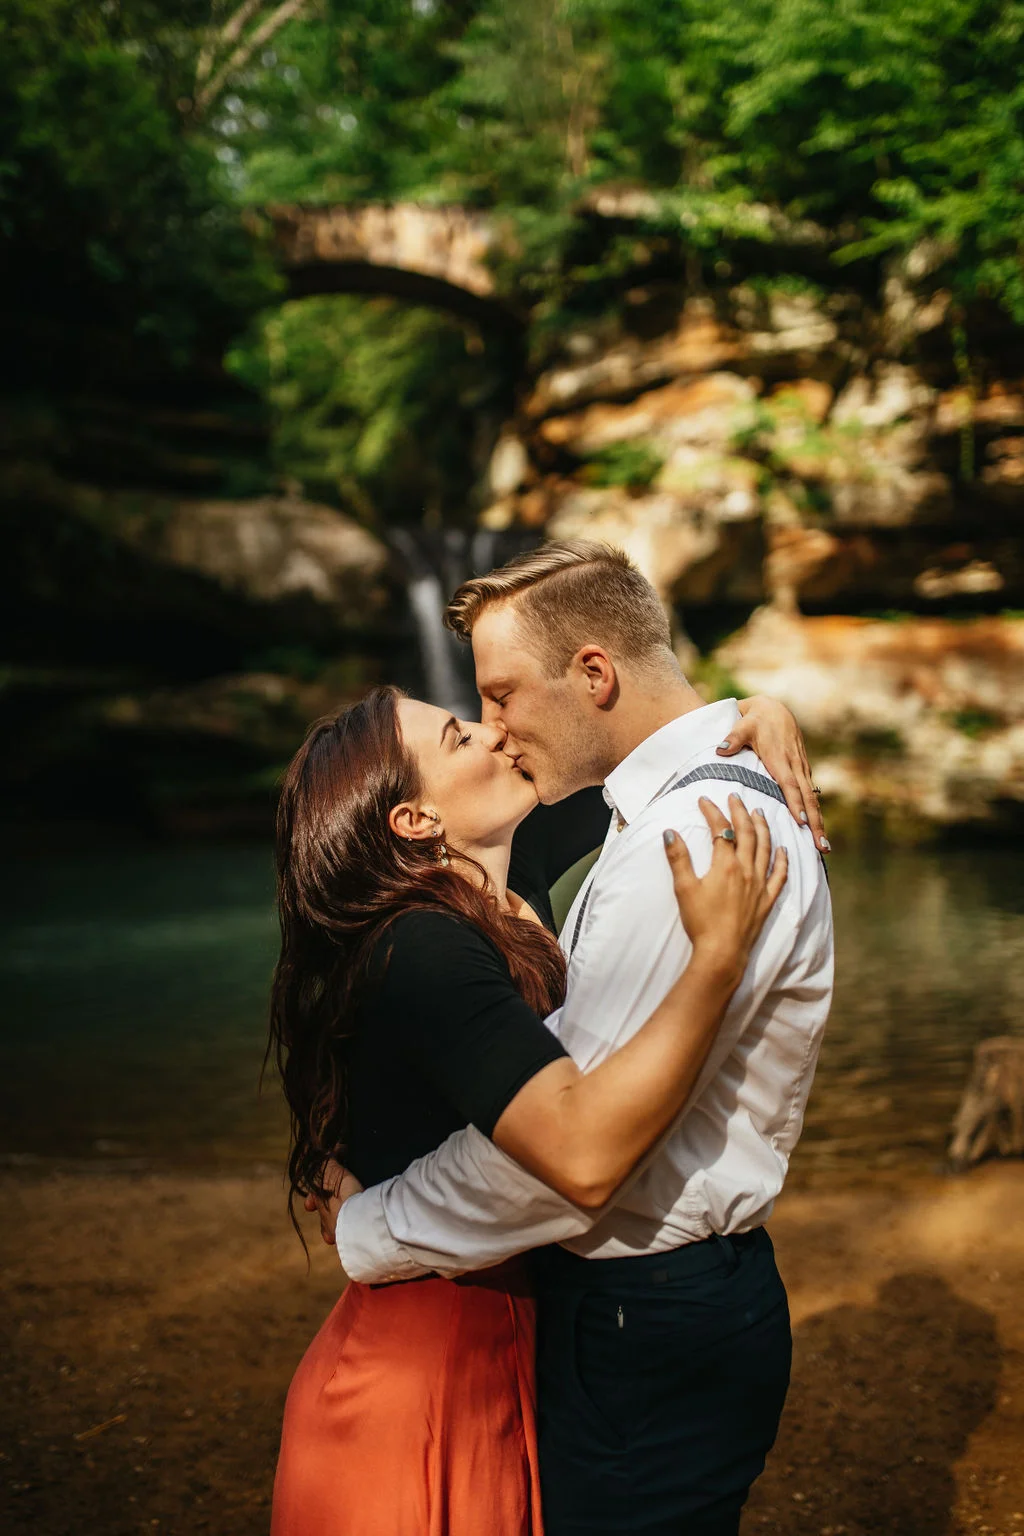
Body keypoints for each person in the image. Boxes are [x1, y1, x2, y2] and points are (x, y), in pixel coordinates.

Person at [322, 541, 835, 1536]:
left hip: (645, 1310)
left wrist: (368, 1228)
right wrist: (743, 707)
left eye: (501, 695)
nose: (496, 731)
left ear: (593, 673)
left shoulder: (692, 838)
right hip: (637, 1303)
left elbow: (566, 1156)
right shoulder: (640, 815)